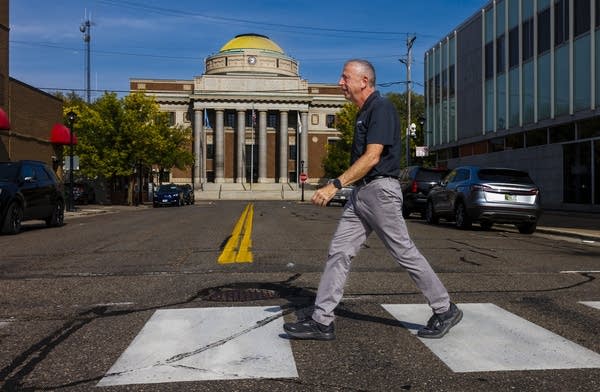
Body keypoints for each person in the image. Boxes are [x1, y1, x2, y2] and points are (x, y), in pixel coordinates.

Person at [283, 59, 462, 341]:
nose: (340, 83)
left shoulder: (382, 108)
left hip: (380, 192)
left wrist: (335, 185)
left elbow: (372, 157)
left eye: (345, 77)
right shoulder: (363, 113)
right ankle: (322, 320)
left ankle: (444, 308)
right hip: (362, 194)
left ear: (363, 81)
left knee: (404, 251)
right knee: (339, 252)